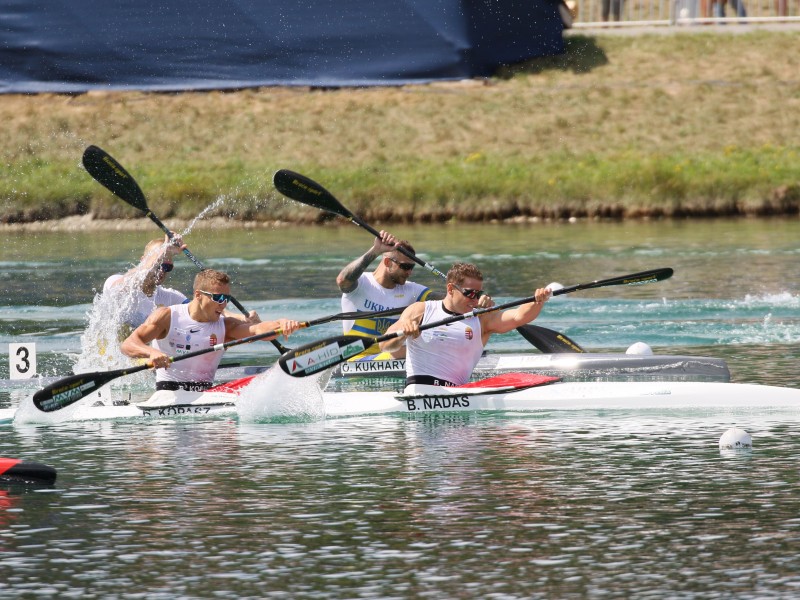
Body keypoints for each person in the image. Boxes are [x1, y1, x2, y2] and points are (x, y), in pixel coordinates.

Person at [379, 262, 551, 391]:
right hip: (419, 392)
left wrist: (537, 302)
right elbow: (385, 345)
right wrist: (402, 334)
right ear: (451, 289)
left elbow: (518, 317)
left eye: (478, 294)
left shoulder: (482, 319)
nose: (475, 300)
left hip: (458, 396)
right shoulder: (420, 310)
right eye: (469, 293)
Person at [120, 269, 300, 391]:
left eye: (227, 298)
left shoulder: (225, 325)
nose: (224, 303)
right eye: (218, 297)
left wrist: (281, 324)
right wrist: (150, 353)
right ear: (198, 295)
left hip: (207, 392)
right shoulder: (167, 316)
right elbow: (129, 344)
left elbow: (257, 330)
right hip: (168, 392)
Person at [336, 230, 444, 356]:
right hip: (357, 359)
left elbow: (447, 301)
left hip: (391, 356)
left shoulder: (412, 291)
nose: (409, 273)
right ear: (388, 262)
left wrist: (464, 293)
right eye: (405, 267)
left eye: (412, 267)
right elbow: (342, 280)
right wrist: (375, 250)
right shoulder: (361, 283)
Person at [103, 235, 189, 330]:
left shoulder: (171, 297)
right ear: (143, 260)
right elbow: (142, 272)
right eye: (157, 264)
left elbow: (200, 313)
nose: (161, 271)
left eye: (166, 267)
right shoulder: (115, 283)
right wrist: (164, 250)